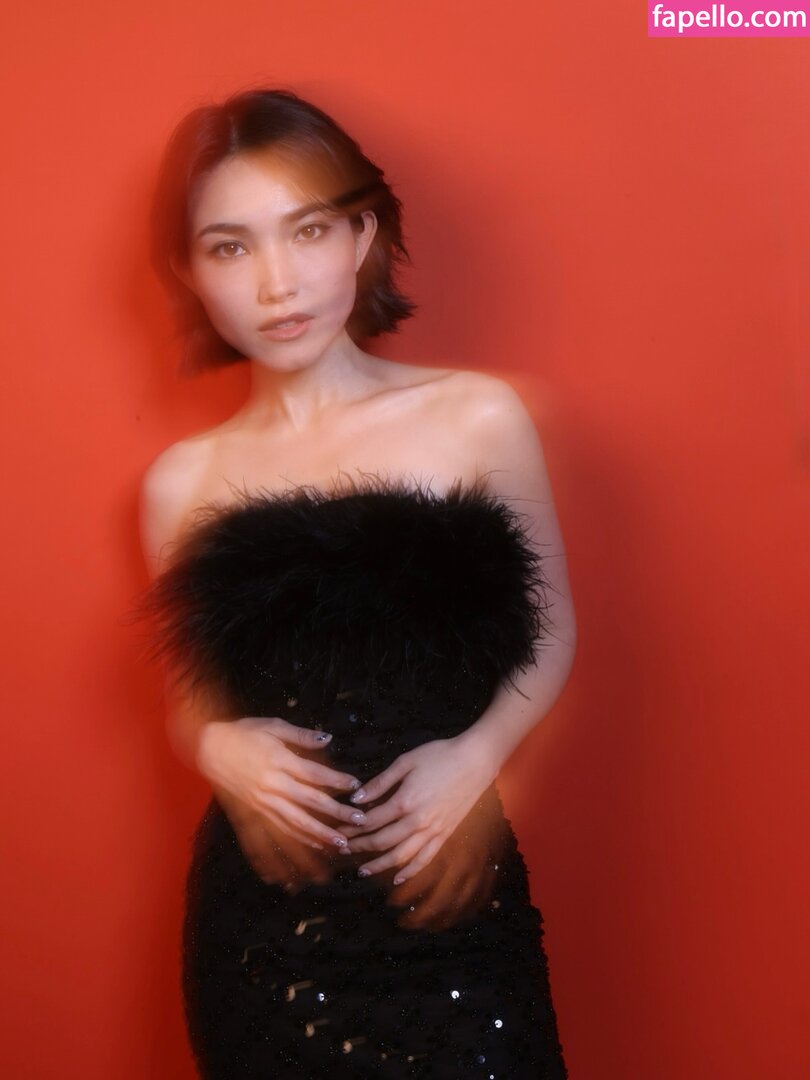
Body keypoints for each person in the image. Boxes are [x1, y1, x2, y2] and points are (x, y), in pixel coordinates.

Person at [139, 87, 576, 1078]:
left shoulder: (477, 418)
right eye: (230, 247)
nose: (278, 282)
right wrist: (214, 744)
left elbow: (552, 636)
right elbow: (191, 698)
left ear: (362, 234)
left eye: (308, 230)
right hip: (267, 943)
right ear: (190, 273)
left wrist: (478, 761)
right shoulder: (182, 482)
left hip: (453, 913)